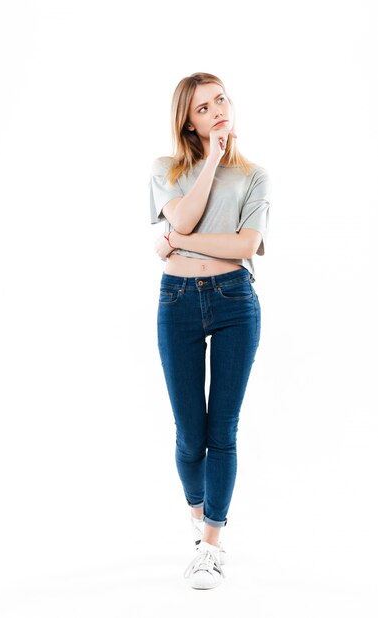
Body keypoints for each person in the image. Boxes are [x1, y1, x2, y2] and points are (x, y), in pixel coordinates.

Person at [149, 72, 270, 590]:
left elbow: (246, 246)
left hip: (234, 302)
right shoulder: (166, 170)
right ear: (189, 121)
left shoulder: (256, 175)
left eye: (221, 99)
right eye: (203, 108)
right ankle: (200, 510)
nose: (218, 110)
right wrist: (212, 162)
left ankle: (211, 545)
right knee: (188, 433)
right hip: (176, 302)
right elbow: (184, 212)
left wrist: (178, 239)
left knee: (223, 430)